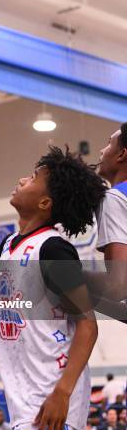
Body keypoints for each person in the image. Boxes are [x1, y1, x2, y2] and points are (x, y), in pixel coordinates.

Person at [0, 147, 106, 430]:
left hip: (51, 390)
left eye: (34, 177)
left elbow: (88, 325)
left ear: (45, 203)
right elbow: (5, 300)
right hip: (24, 391)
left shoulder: (54, 250)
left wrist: (61, 393)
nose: (23, 179)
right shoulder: (9, 244)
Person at [86, 123, 127, 316]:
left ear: (122, 154)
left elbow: (117, 286)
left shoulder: (115, 197)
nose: (101, 151)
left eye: (109, 144)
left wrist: (66, 278)